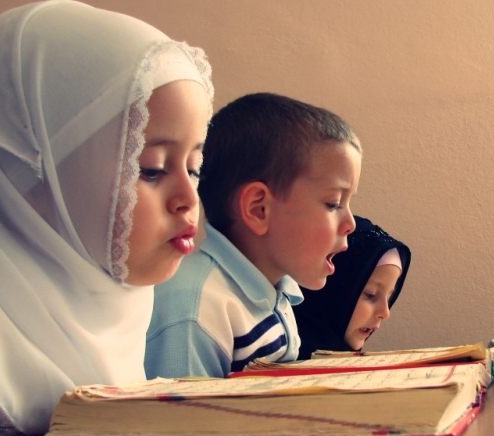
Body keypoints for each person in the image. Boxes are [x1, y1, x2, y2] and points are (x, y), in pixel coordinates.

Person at [0, 1, 214, 436]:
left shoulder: (118, 308)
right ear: (28, 178)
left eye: (194, 169)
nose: (188, 199)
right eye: (151, 168)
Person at [145, 92, 362, 378]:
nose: (350, 224)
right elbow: (183, 408)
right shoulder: (194, 312)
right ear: (258, 209)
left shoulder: (276, 288)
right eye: (334, 203)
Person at [293, 216, 411, 360]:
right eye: (371, 295)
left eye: (389, 297)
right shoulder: (277, 354)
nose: (385, 313)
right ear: (333, 290)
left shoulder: (346, 362)